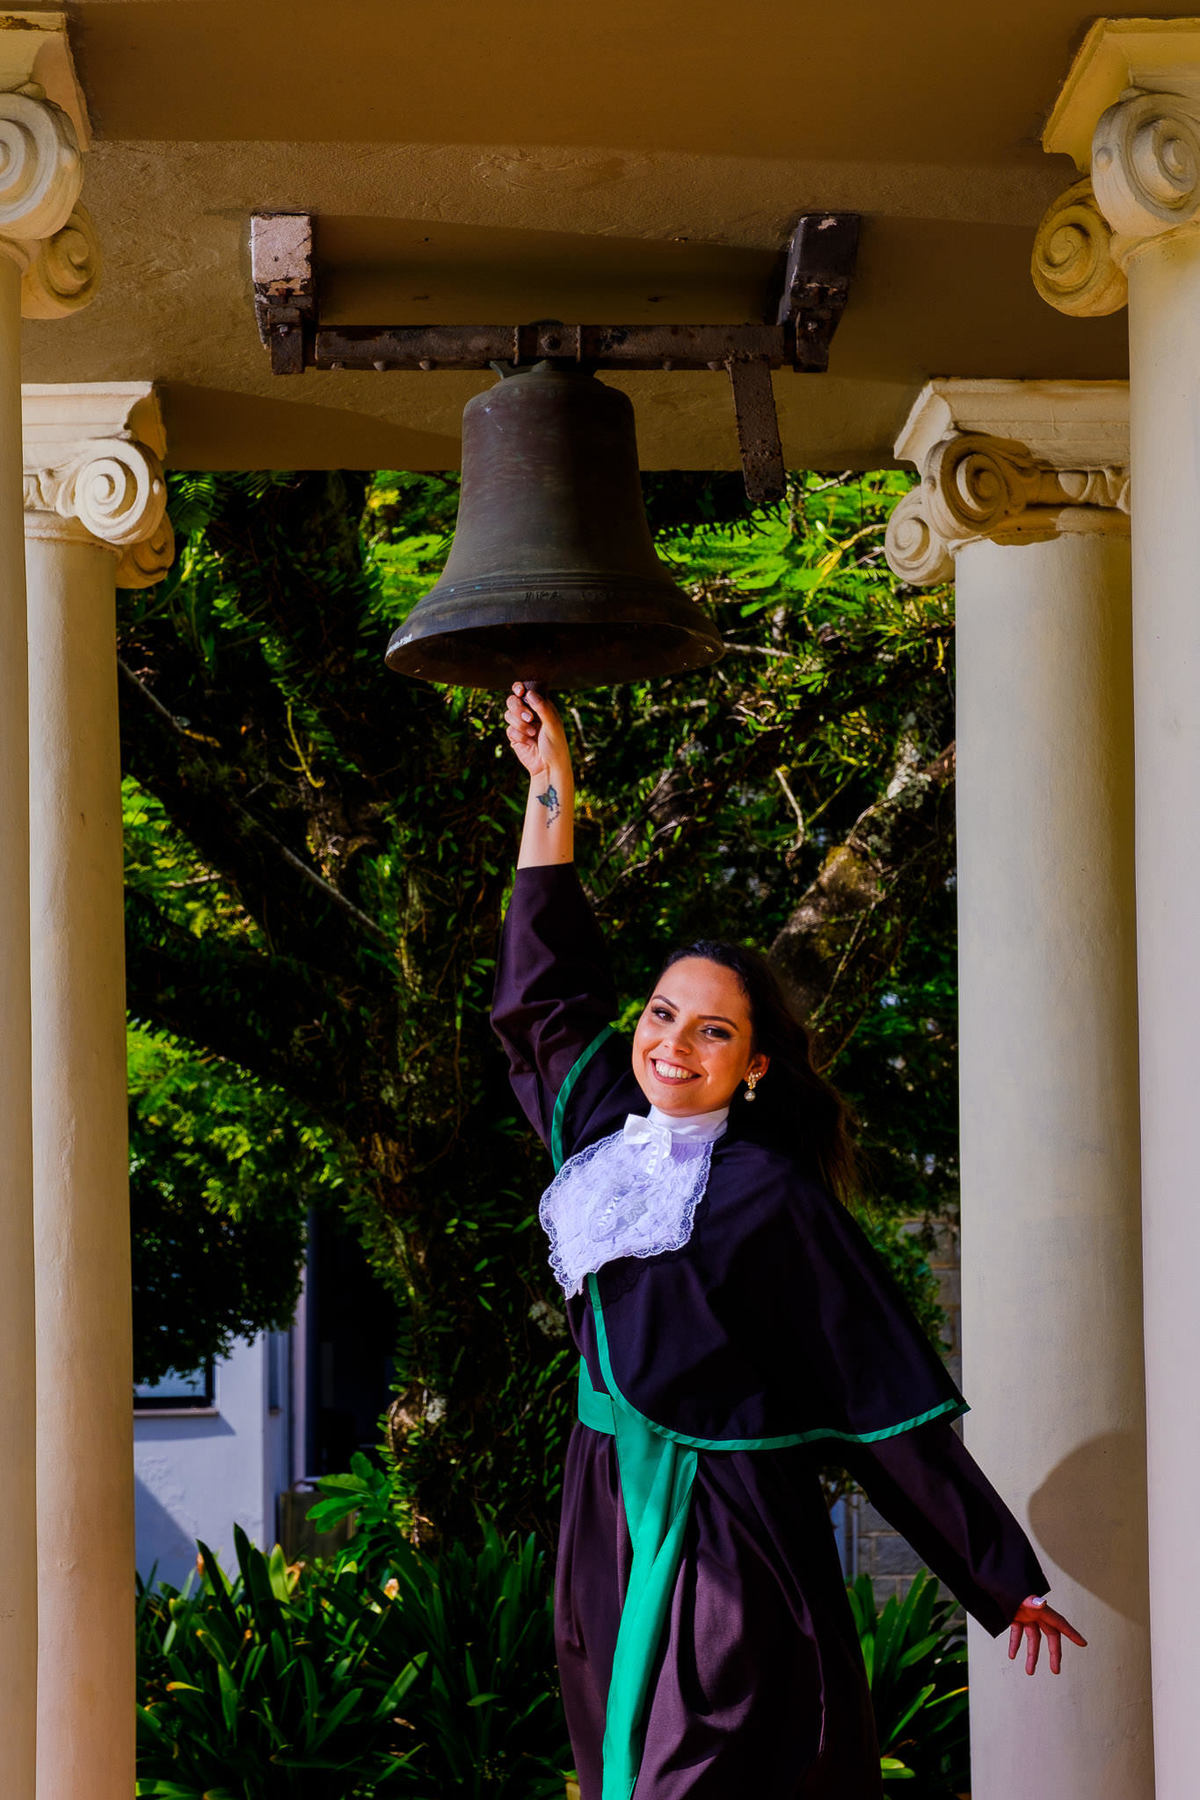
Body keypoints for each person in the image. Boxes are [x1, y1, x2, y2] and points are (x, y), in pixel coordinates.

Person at [491, 682, 1086, 1800]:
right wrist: (550, 785)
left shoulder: (773, 1197)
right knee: (617, 1759)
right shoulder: (596, 1130)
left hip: (729, 1529)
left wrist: (999, 1576)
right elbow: (542, 989)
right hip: (606, 1503)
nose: (675, 1043)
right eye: (662, 1014)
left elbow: (879, 1394)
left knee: (704, 1770)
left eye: (713, 1030)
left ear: (754, 1066)